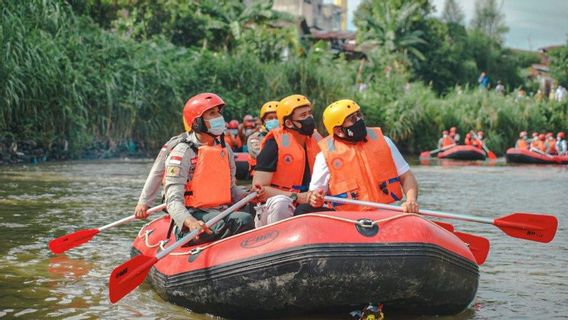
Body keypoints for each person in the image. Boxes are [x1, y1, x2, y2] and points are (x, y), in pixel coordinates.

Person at [163, 93, 257, 244]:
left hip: (220, 212)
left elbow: (231, 190)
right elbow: (173, 200)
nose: (219, 117)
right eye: (212, 113)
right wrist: (190, 221)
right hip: (194, 215)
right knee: (243, 220)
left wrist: (249, 194)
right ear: (197, 123)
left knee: (253, 207)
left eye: (218, 112)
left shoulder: (224, 149)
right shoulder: (183, 152)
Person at [306, 99, 419, 213]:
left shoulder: (385, 142)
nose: (359, 120)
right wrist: (315, 199)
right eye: (352, 119)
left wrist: (411, 200)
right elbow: (315, 195)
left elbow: (406, 176)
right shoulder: (324, 157)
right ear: (339, 130)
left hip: (388, 211)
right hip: (349, 218)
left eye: (359, 115)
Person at [252, 94, 323, 227]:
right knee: (282, 204)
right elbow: (259, 190)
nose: (309, 119)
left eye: (309, 114)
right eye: (303, 115)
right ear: (289, 123)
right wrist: (298, 197)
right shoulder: (274, 143)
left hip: (307, 202)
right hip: (276, 206)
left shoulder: (315, 138)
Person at [134, 132, 189, 219]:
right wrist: (144, 202)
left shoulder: (217, 142)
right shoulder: (175, 144)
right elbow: (157, 172)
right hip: (180, 203)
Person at [247, 101, 279, 172]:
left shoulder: (286, 137)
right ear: (263, 121)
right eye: (270, 118)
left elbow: (287, 153)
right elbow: (259, 155)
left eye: (277, 118)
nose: (274, 120)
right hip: (261, 176)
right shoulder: (255, 137)